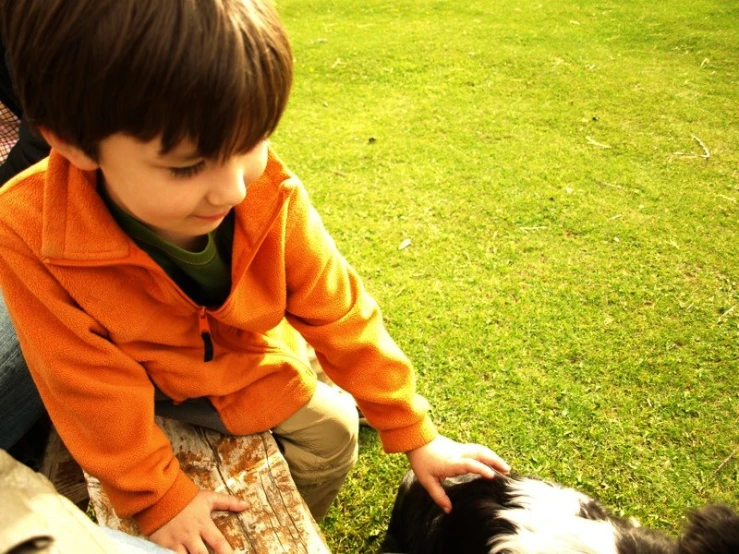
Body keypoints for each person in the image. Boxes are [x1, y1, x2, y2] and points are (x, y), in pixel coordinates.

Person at [0, 1, 510, 553]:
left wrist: (414, 431)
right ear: (71, 142)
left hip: (232, 367)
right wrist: (157, 497)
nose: (233, 190)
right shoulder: (25, 229)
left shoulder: (271, 196)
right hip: (129, 382)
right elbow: (81, 381)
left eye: (253, 141)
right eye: (187, 166)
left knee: (335, 429)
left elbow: (340, 311)